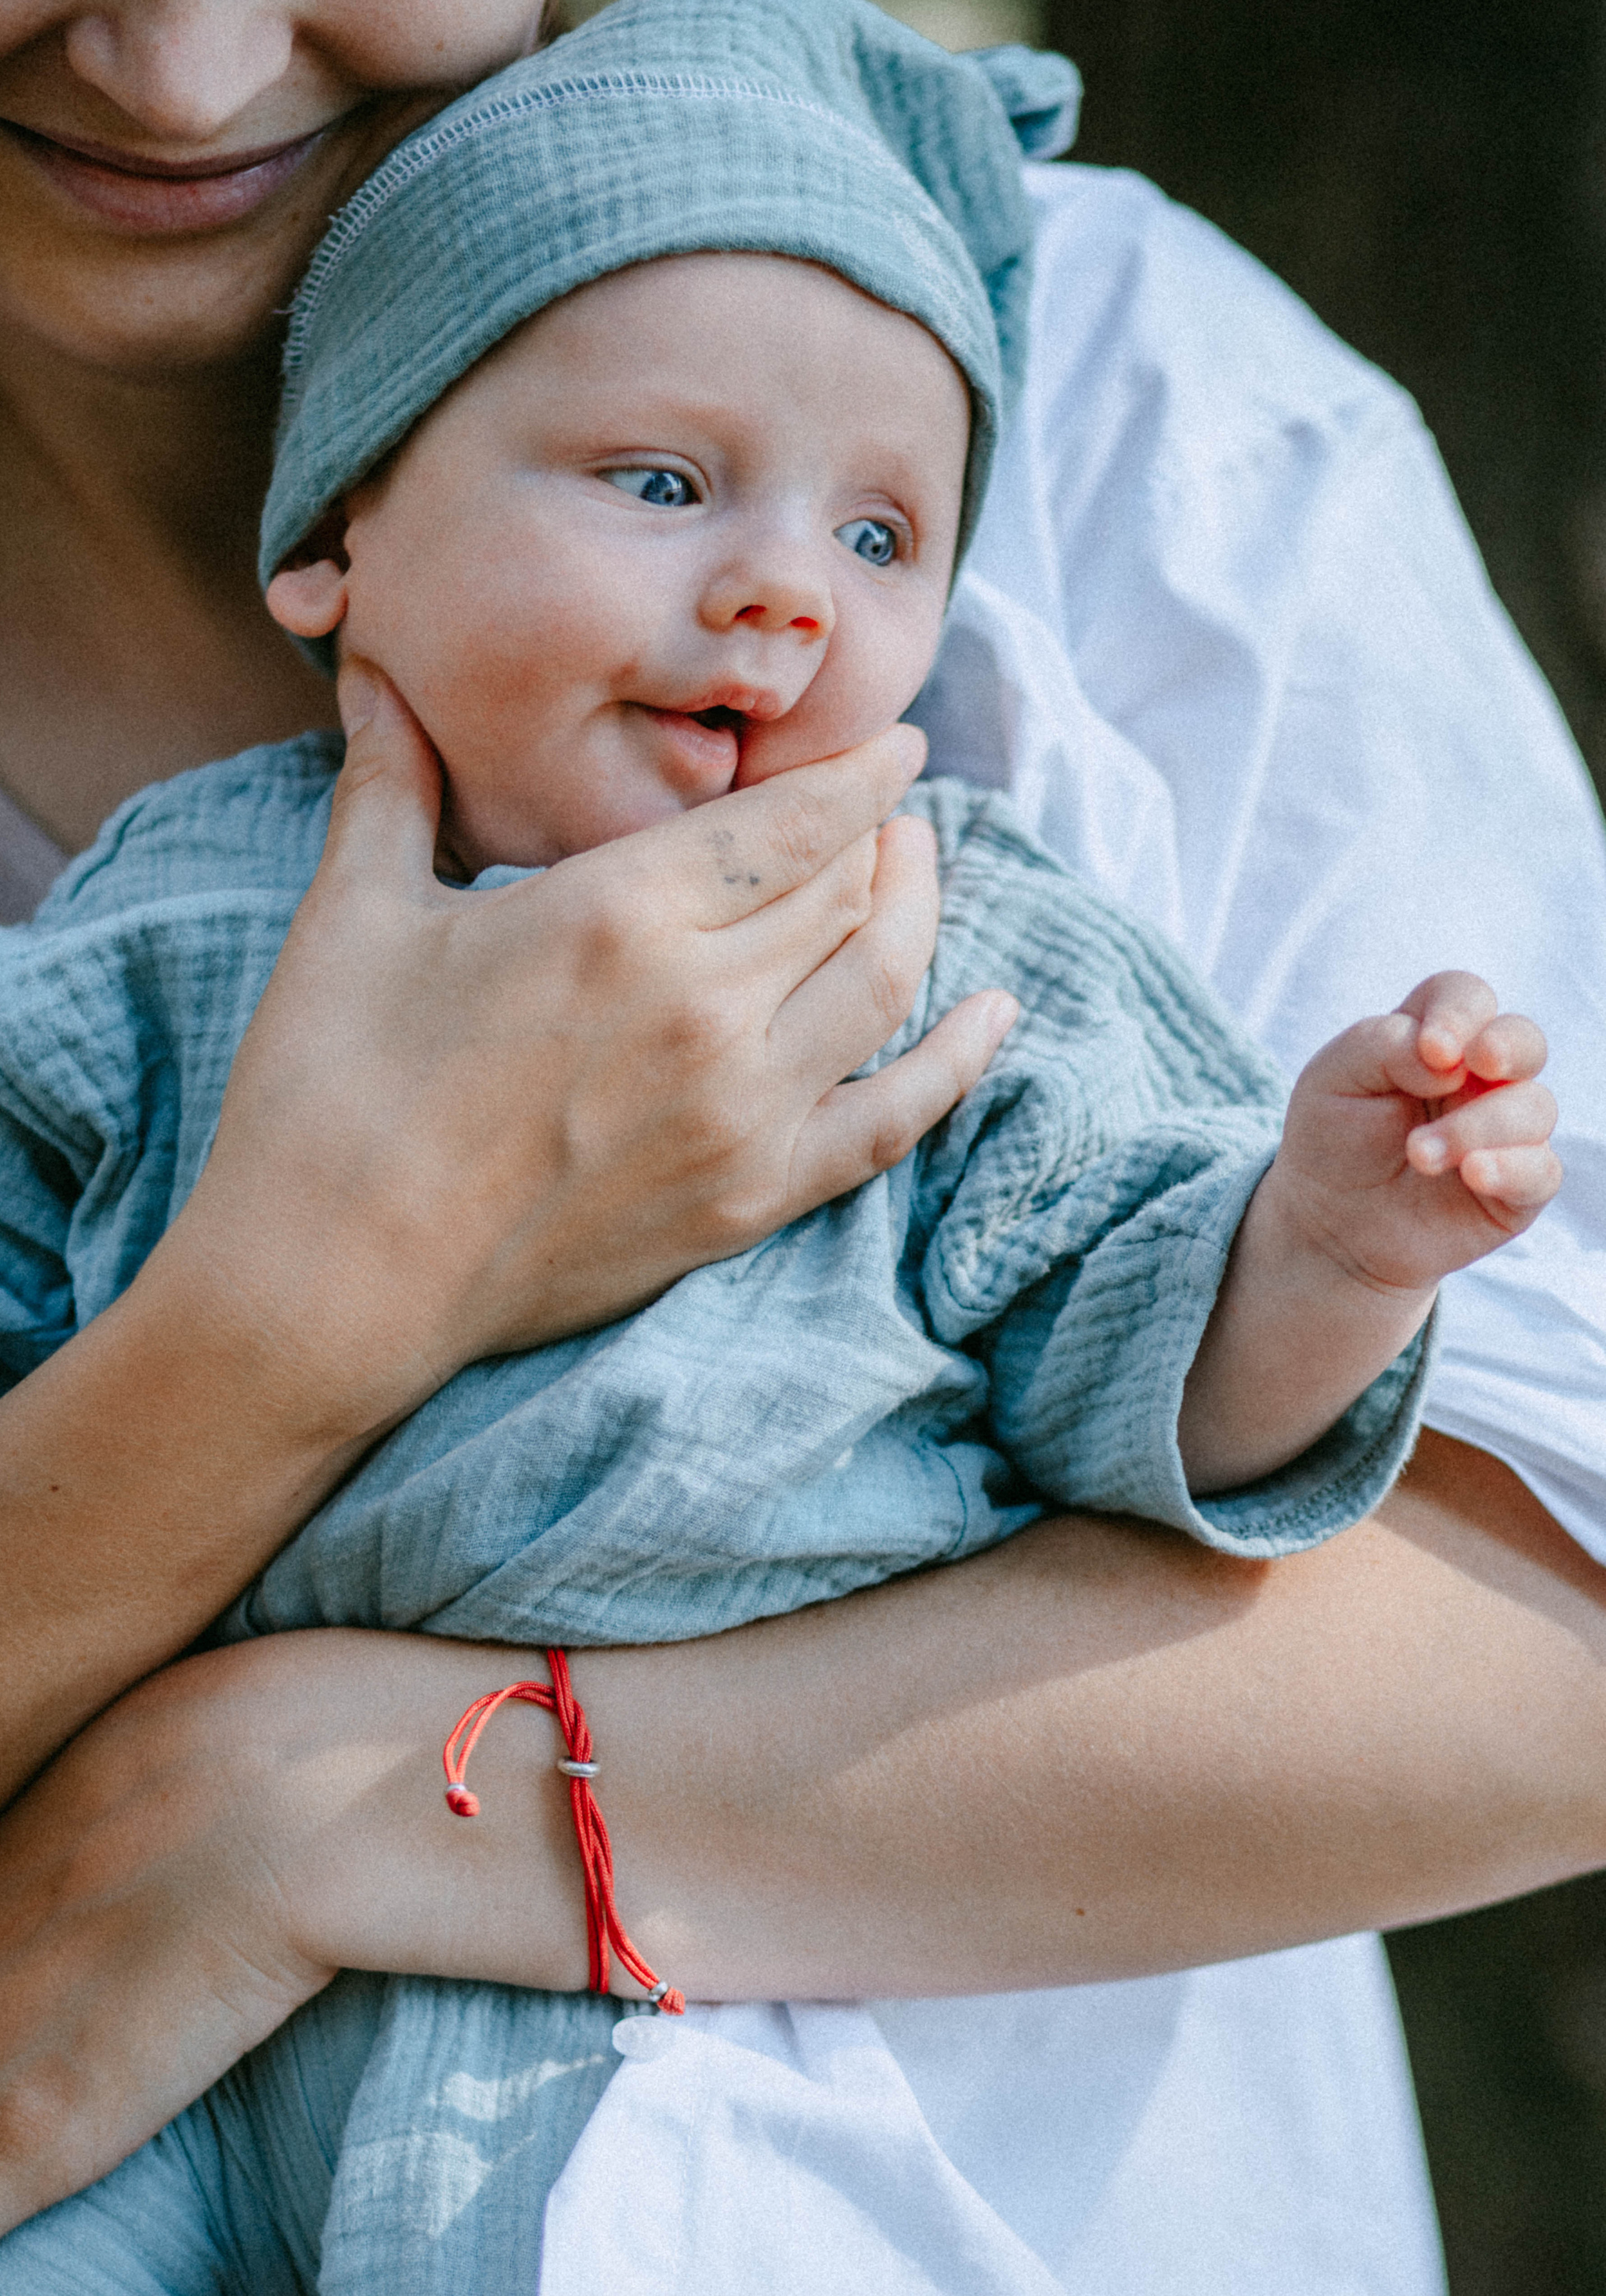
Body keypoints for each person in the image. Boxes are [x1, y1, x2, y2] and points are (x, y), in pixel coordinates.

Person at [2, 3, 1605, 2292]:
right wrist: (305, 1306)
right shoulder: (157, 939)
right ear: (336, 543)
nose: (178, 66)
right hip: (134, 2142)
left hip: (823, 2187)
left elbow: (1490, 1557)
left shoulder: (996, 849)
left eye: (879, 533)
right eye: (655, 484)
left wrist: (308, 1817)